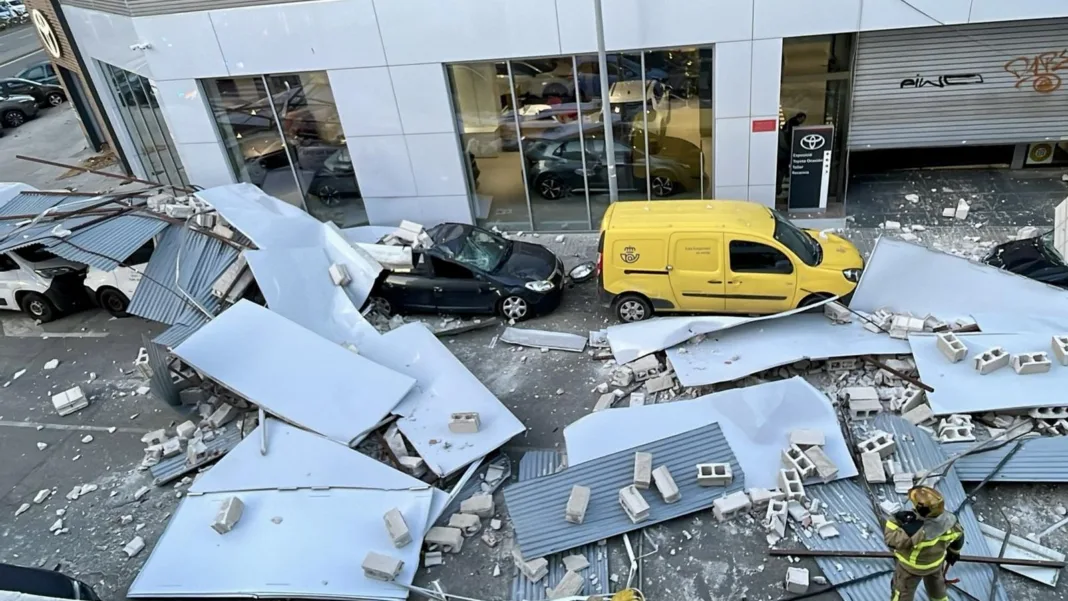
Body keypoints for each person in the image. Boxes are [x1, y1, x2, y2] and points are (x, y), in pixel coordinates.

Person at [884, 486, 965, 601]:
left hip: (911, 568)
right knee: (937, 589)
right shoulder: (950, 521)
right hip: (935, 565)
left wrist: (895, 519)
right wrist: (954, 552)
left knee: (903, 592)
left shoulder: (915, 531)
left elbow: (891, 540)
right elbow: (959, 536)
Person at [776, 112, 807, 197]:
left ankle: (779, 189)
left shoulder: (787, 125)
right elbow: (784, 143)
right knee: (780, 173)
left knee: (781, 173)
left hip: (781, 155)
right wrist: (790, 150)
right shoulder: (788, 128)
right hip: (782, 156)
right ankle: (778, 190)